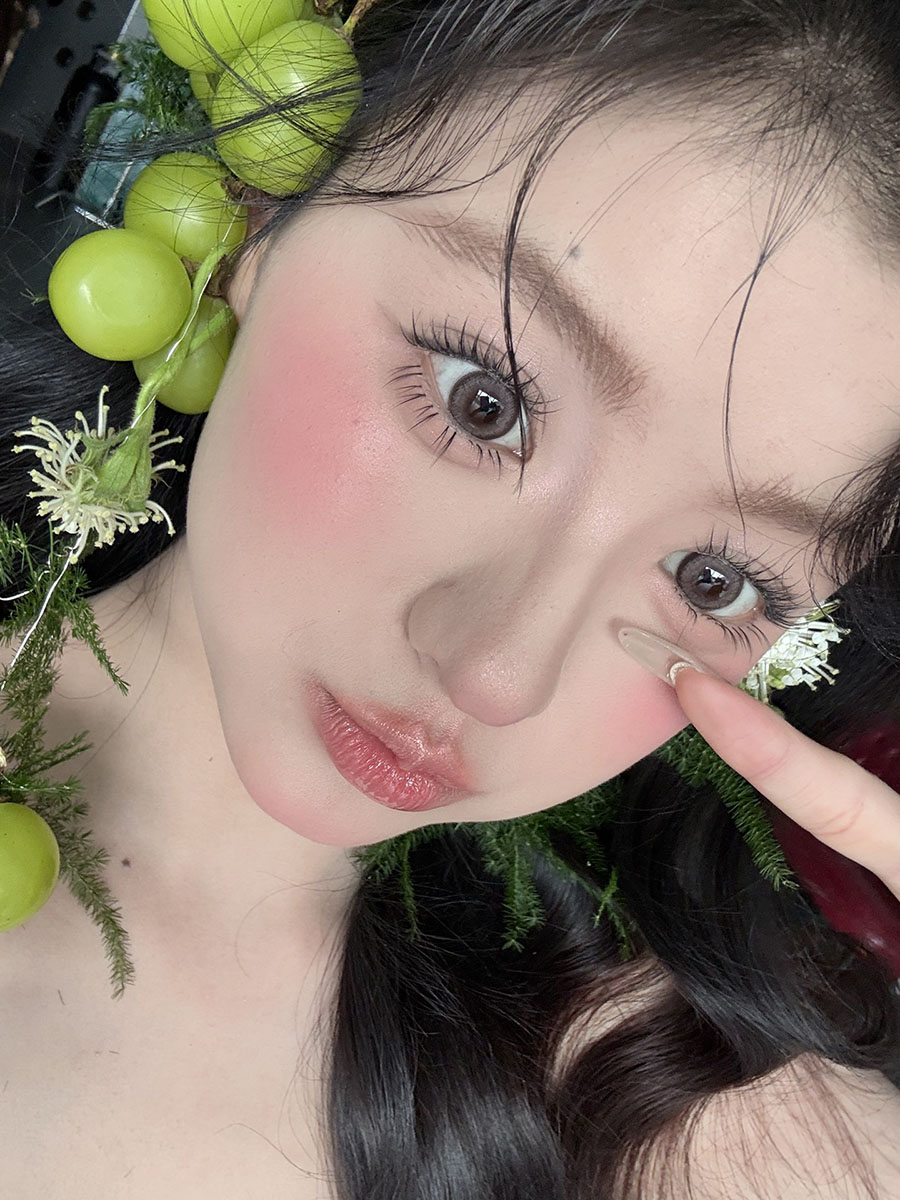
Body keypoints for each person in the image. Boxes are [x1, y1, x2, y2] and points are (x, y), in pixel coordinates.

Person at [1, 0, 900, 1195]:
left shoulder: (678, 1116)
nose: (498, 674)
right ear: (260, 219)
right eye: (488, 403)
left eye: (715, 581)